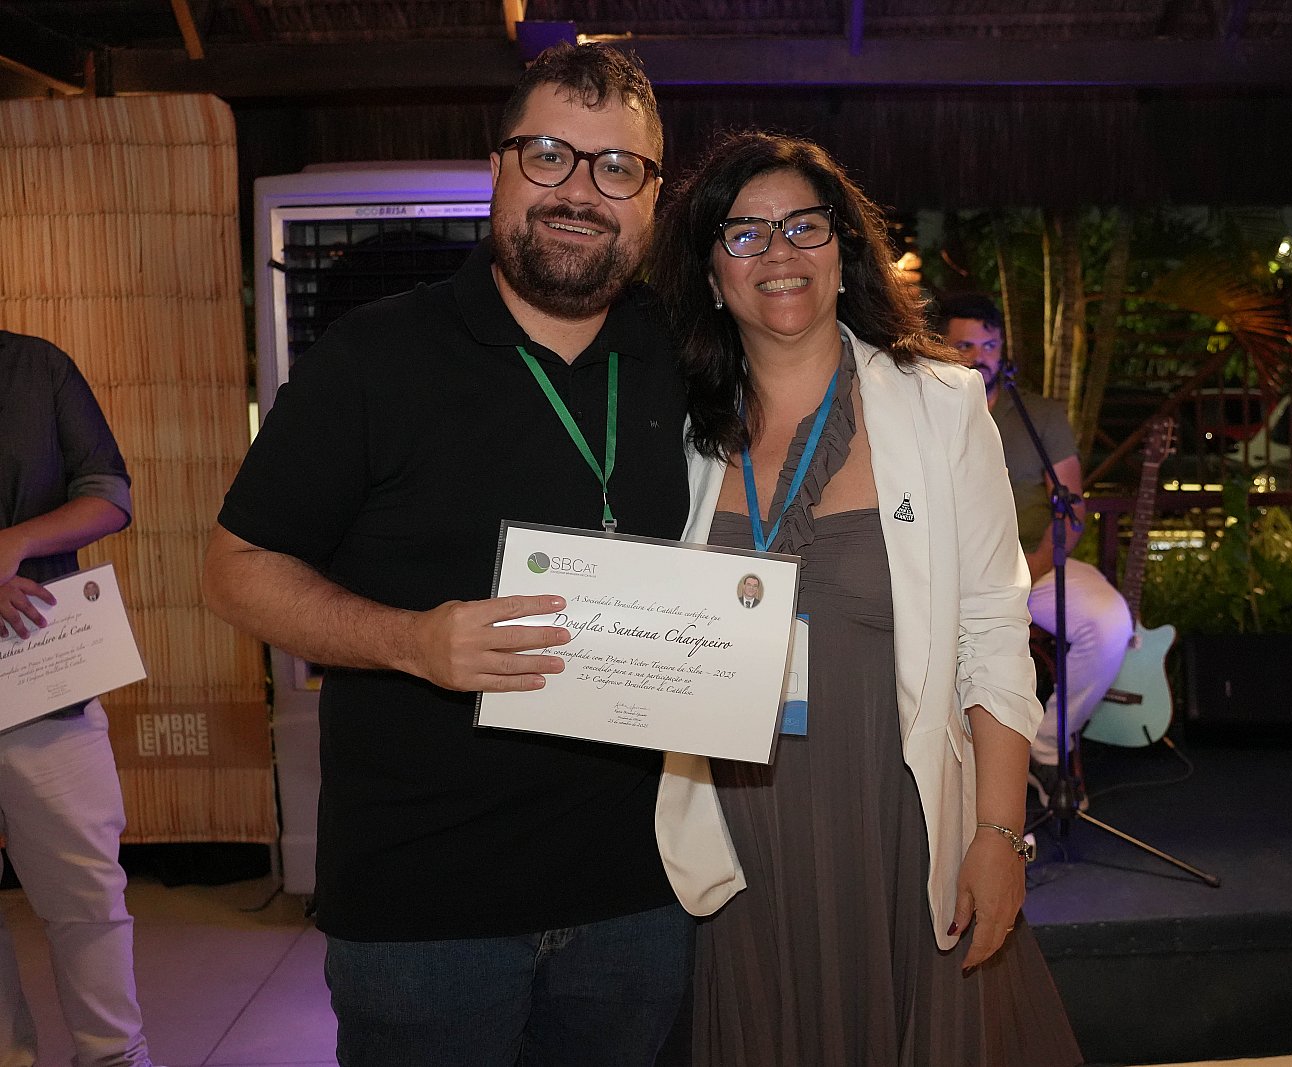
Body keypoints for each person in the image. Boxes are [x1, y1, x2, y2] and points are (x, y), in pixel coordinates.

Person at [201, 44, 693, 1066]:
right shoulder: (373, 356)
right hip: (423, 912)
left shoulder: (690, 358)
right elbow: (236, 566)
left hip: (644, 898)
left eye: (616, 167)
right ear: (497, 166)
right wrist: (412, 642)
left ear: (653, 196)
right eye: (549, 154)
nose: (580, 191)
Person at [648, 131, 1082, 1066]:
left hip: (900, 824)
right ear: (711, 273)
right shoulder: (675, 431)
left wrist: (1000, 832)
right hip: (741, 839)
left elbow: (994, 634)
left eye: (803, 226)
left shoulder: (940, 404)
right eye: (744, 233)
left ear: (843, 252)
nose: (779, 252)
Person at [0, 330, 160, 1067]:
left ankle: (114, 1057)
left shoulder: (36, 366)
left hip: (42, 671)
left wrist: (15, 542)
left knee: (87, 895)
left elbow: (108, 493)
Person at [934, 293, 1133, 780]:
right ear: (940, 346)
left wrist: (1033, 569)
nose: (979, 357)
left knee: (1110, 625)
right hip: (947, 575)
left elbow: (1072, 507)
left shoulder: (1037, 414)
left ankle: (1044, 746)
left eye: (989, 346)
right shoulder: (923, 408)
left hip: (1031, 566)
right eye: (965, 346)